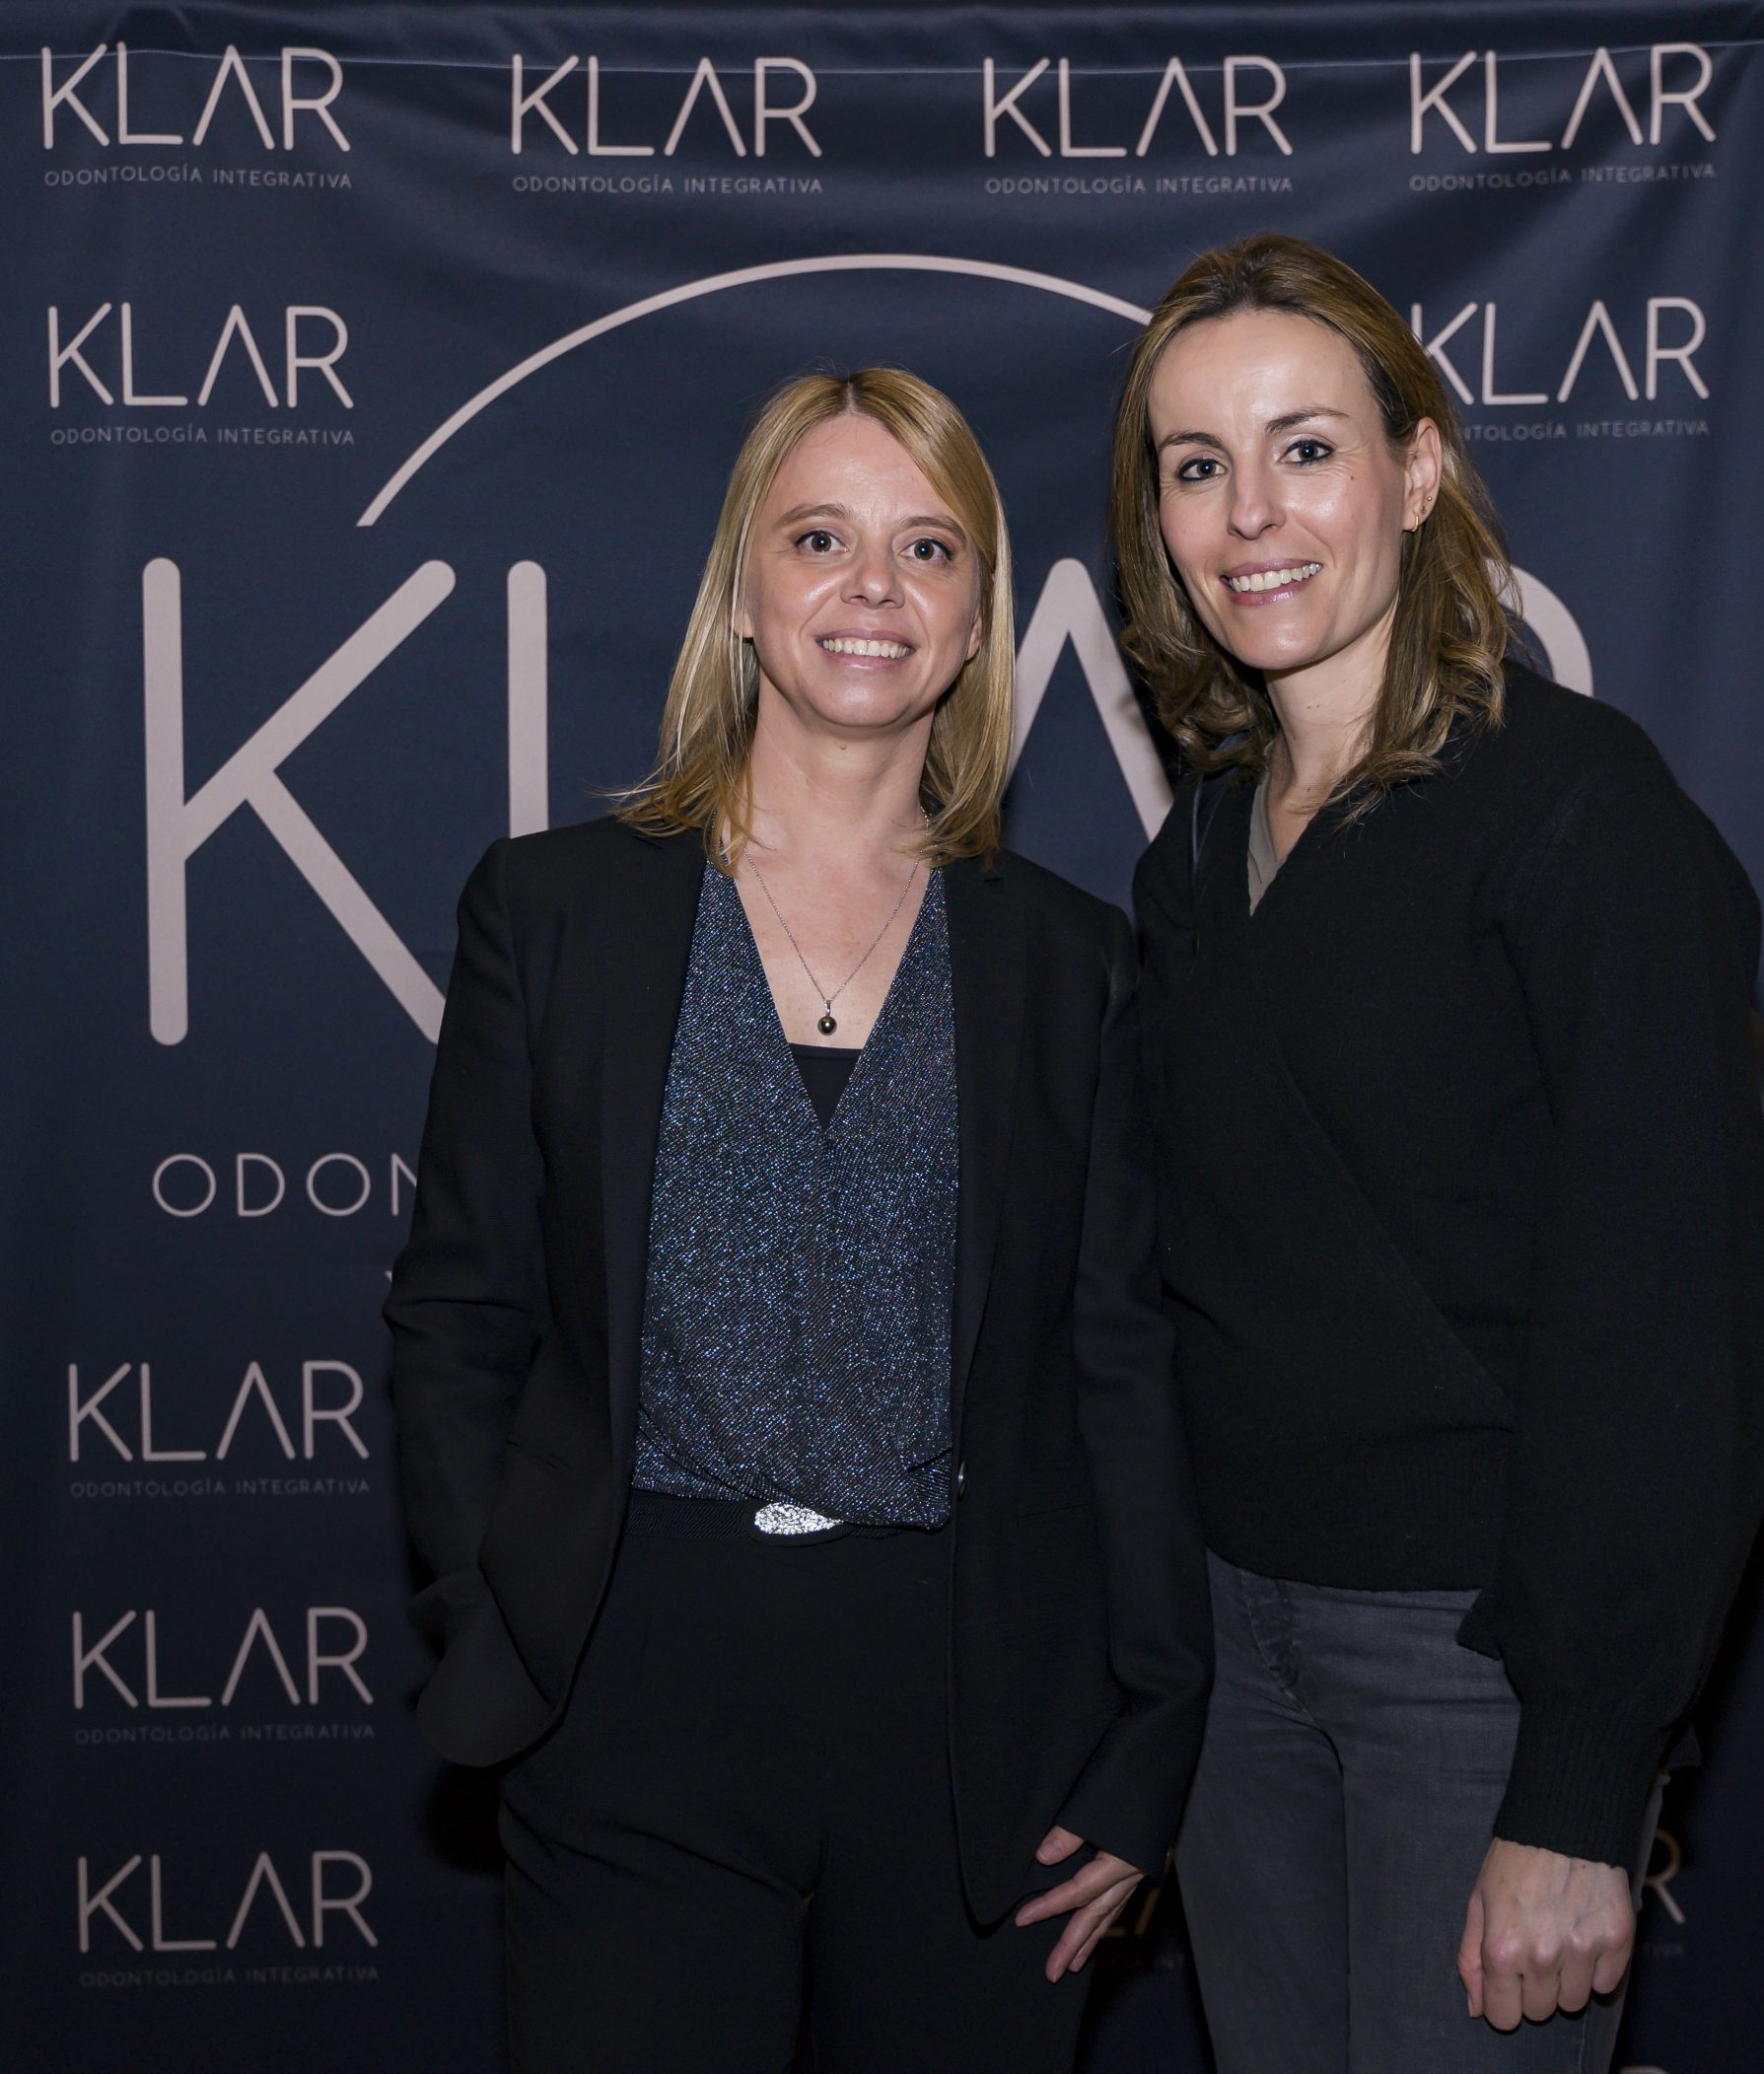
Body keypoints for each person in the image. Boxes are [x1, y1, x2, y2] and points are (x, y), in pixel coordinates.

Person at [384, 365, 1210, 2073]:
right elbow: (463, 1315)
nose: (873, 586)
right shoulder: (553, 912)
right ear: (744, 593)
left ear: (974, 623)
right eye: (820, 537)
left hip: (978, 1737)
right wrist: (502, 1621)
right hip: (626, 1708)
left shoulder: (1072, 963)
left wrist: (1151, 1736)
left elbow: (1120, 1368)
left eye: (928, 548)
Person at [1116, 234, 1764, 2071]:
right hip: (1231, 1661)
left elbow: (1669, 1321)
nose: (1252, 515)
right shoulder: (1196, 856)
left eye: (1306, 448)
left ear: (1416, 471)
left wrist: (1581, 1778)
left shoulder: (1577, 809)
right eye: (1197, 465)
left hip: (1476, 1668)